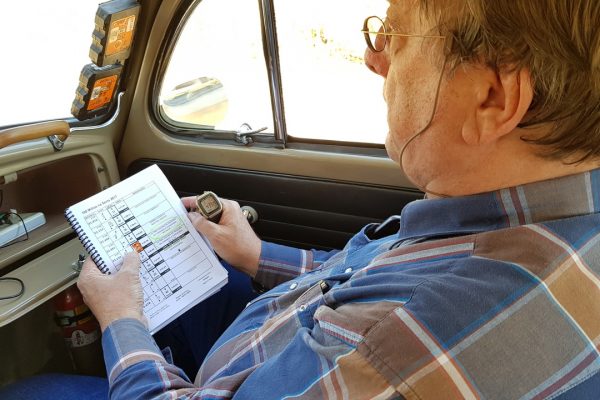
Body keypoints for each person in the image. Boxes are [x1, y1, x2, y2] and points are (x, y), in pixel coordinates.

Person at [2, 0, 599, 398]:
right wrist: (257, 255)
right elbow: (374, 276)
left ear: (494, 98)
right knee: (208, 272)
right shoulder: (525, 215)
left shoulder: (399, 343)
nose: (374, 58)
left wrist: (121, 320)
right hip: (280, 344)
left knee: (31, 391)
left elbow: (379, 331)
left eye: (396, 35)